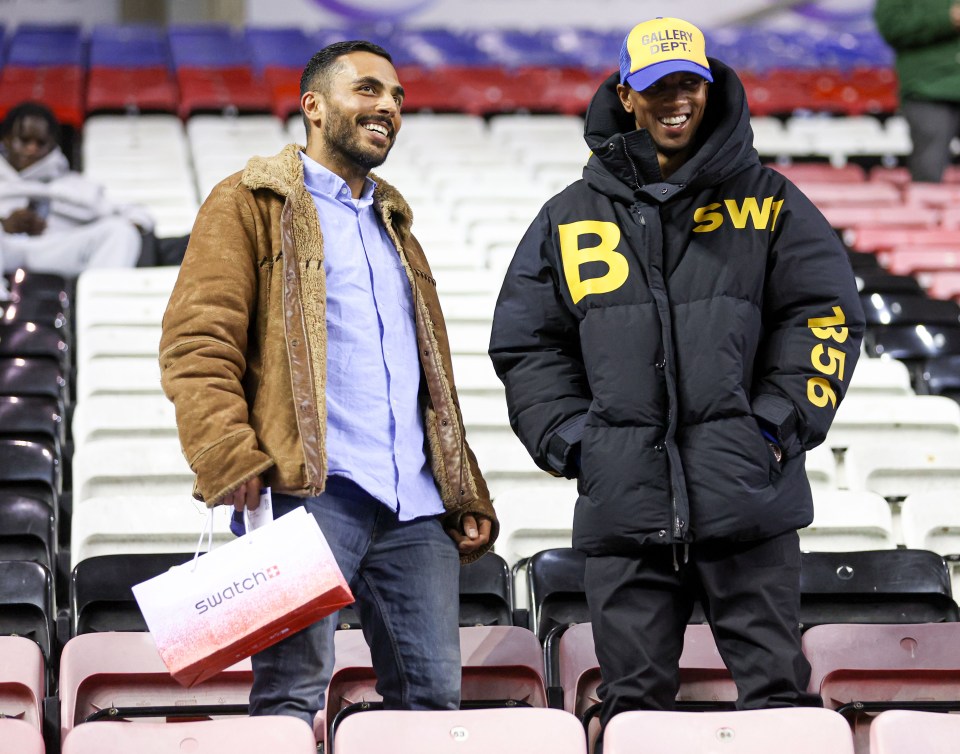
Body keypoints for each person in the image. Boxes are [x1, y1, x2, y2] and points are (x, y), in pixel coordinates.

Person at [489, 16, 864, 738]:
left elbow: (827, 318)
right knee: (632, 715)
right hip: (625, 512)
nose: (675, 100)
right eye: (657, 86)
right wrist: (577, 445)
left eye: (688, 83)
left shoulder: (774, 202)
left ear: (710, 86)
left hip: (751, 502)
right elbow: (527, 346)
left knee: (779, 703)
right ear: (626, 94)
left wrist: (773, 428)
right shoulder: (569, 216)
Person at [159, 40, 497, 733]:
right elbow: (197, 342)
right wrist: (227, 453)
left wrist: (462, 485)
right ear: (313, 107)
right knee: (289, 701)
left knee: (433, 710)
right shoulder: (249, 201)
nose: (389, 108)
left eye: (397, 98)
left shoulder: (394, 222)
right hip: (305, 495)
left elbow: (428, 373)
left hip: (416, 506)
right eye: (369, 91)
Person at [0, 102, 150, 281]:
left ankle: (100, 304)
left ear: (52, 146)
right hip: (6, 248)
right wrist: (3, 224)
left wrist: (132, 225)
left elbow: (138, 214)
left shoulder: (74, 185)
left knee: (120, 231)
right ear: (7, 140)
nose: (32, 149)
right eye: (24, 140)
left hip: (56, 250)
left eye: (40, 143)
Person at [875, 0, 960, 183]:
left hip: (931, 87)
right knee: (929, 170)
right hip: (928, 88)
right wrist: (947, 17)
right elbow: (891, 24)